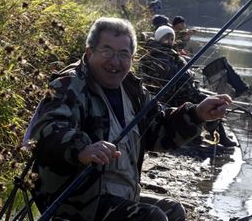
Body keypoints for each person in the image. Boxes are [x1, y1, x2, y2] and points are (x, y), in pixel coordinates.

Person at [27, 17, 232, 221]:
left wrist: (197, 114)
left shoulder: (133, 90)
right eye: (107, 51)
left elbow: (158, 130)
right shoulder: (68, 85)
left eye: (123, 54)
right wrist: (82, 149)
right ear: (90, 52)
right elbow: (45, 130)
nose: (115, 62)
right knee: (152, 218)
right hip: (75, 201)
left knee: (174, 211)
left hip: (121, 195)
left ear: (132, 59)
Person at [138, 25, 237, 149]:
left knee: (210, 98)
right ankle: (219, 136)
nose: (169, 40)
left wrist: (191, 84)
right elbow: (166, 80)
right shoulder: (157, 56)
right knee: (205, 101)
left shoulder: (171, 54)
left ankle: (216, 134)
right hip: (171, 96)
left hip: (186, 92)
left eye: (171, 38)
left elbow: (185, 75)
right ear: (159, 38)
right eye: (166, 38)